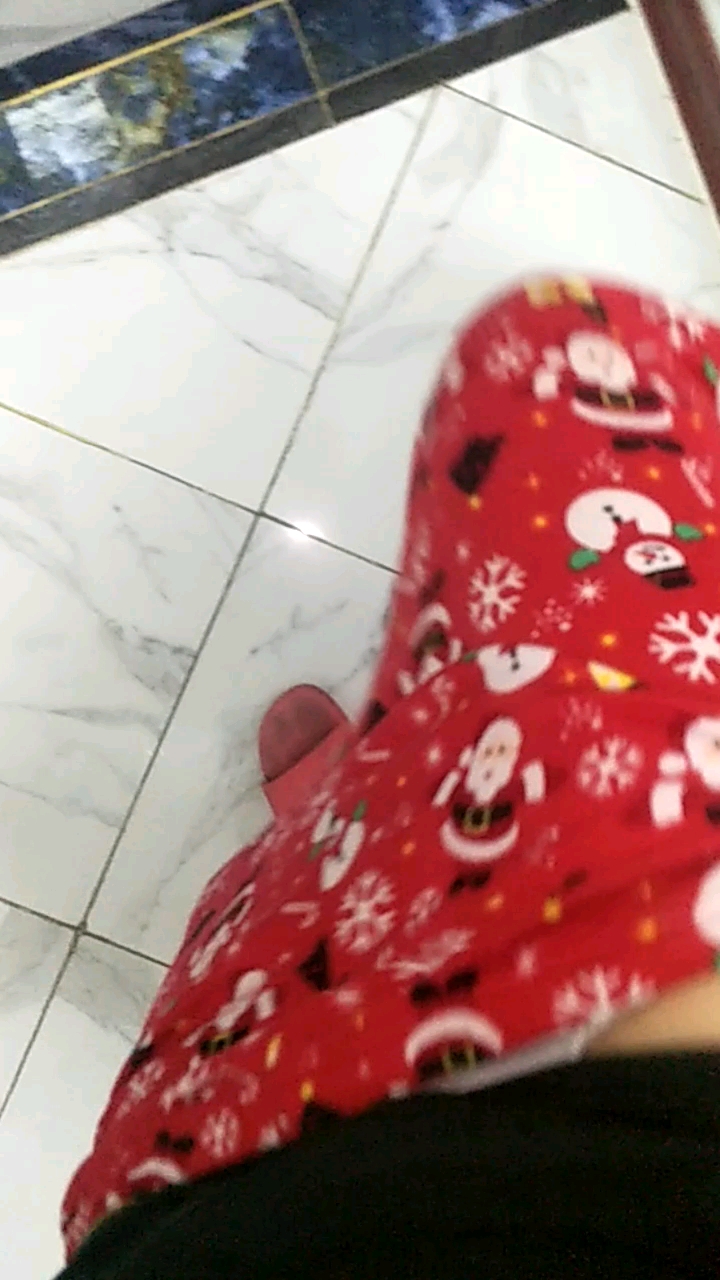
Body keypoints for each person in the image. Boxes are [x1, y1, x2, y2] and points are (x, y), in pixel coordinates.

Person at [58, 278, 720, 1280]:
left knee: (563, 357)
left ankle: (359, 820)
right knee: (569, 364)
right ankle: (380, 805)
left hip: (263, 1193)